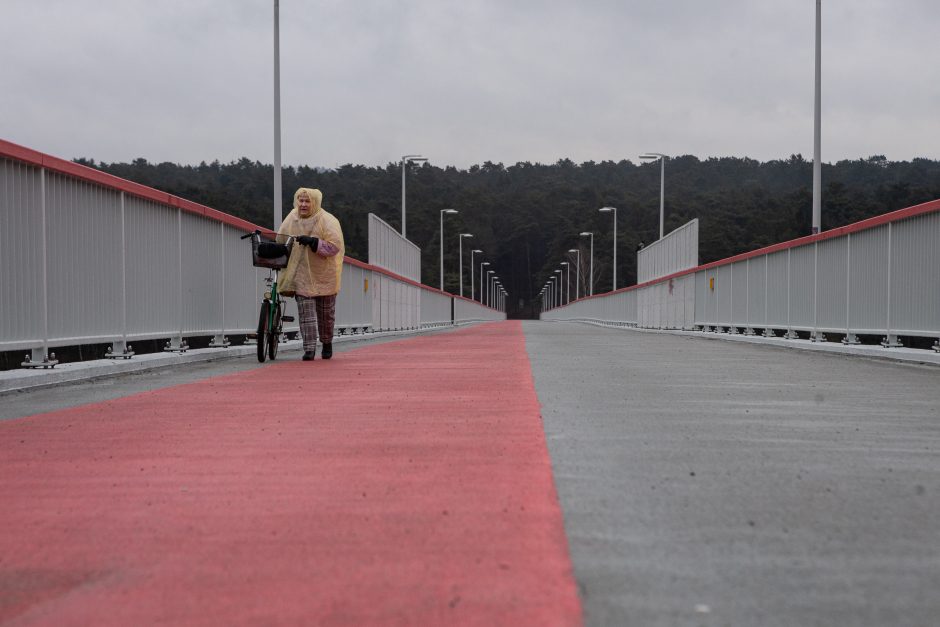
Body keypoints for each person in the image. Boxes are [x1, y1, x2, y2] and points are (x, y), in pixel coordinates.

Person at [276, 187, 344, 361]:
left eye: (307, 201)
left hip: (324, 274)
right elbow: (281, 239)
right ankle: (309, 349)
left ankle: (327, 343)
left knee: (326, 313)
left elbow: (334, 246)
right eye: (300, 200)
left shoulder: (327, 220)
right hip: (302, 274)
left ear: (315, 203)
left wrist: (314, 242)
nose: (303, 204)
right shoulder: (292, 218)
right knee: (306, 313)